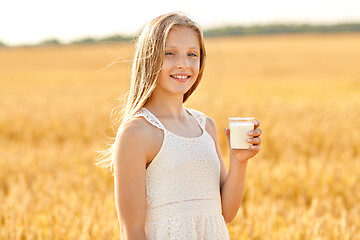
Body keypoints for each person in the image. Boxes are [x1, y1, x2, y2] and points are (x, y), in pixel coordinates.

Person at [97, 12, 262, 240]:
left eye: (192, 54)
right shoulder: (136, 133)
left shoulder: (206, 127)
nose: (183, 64)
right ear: (149, 58)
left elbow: (226, 212)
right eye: (170, 54)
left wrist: (239, 161)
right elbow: (131, 231)